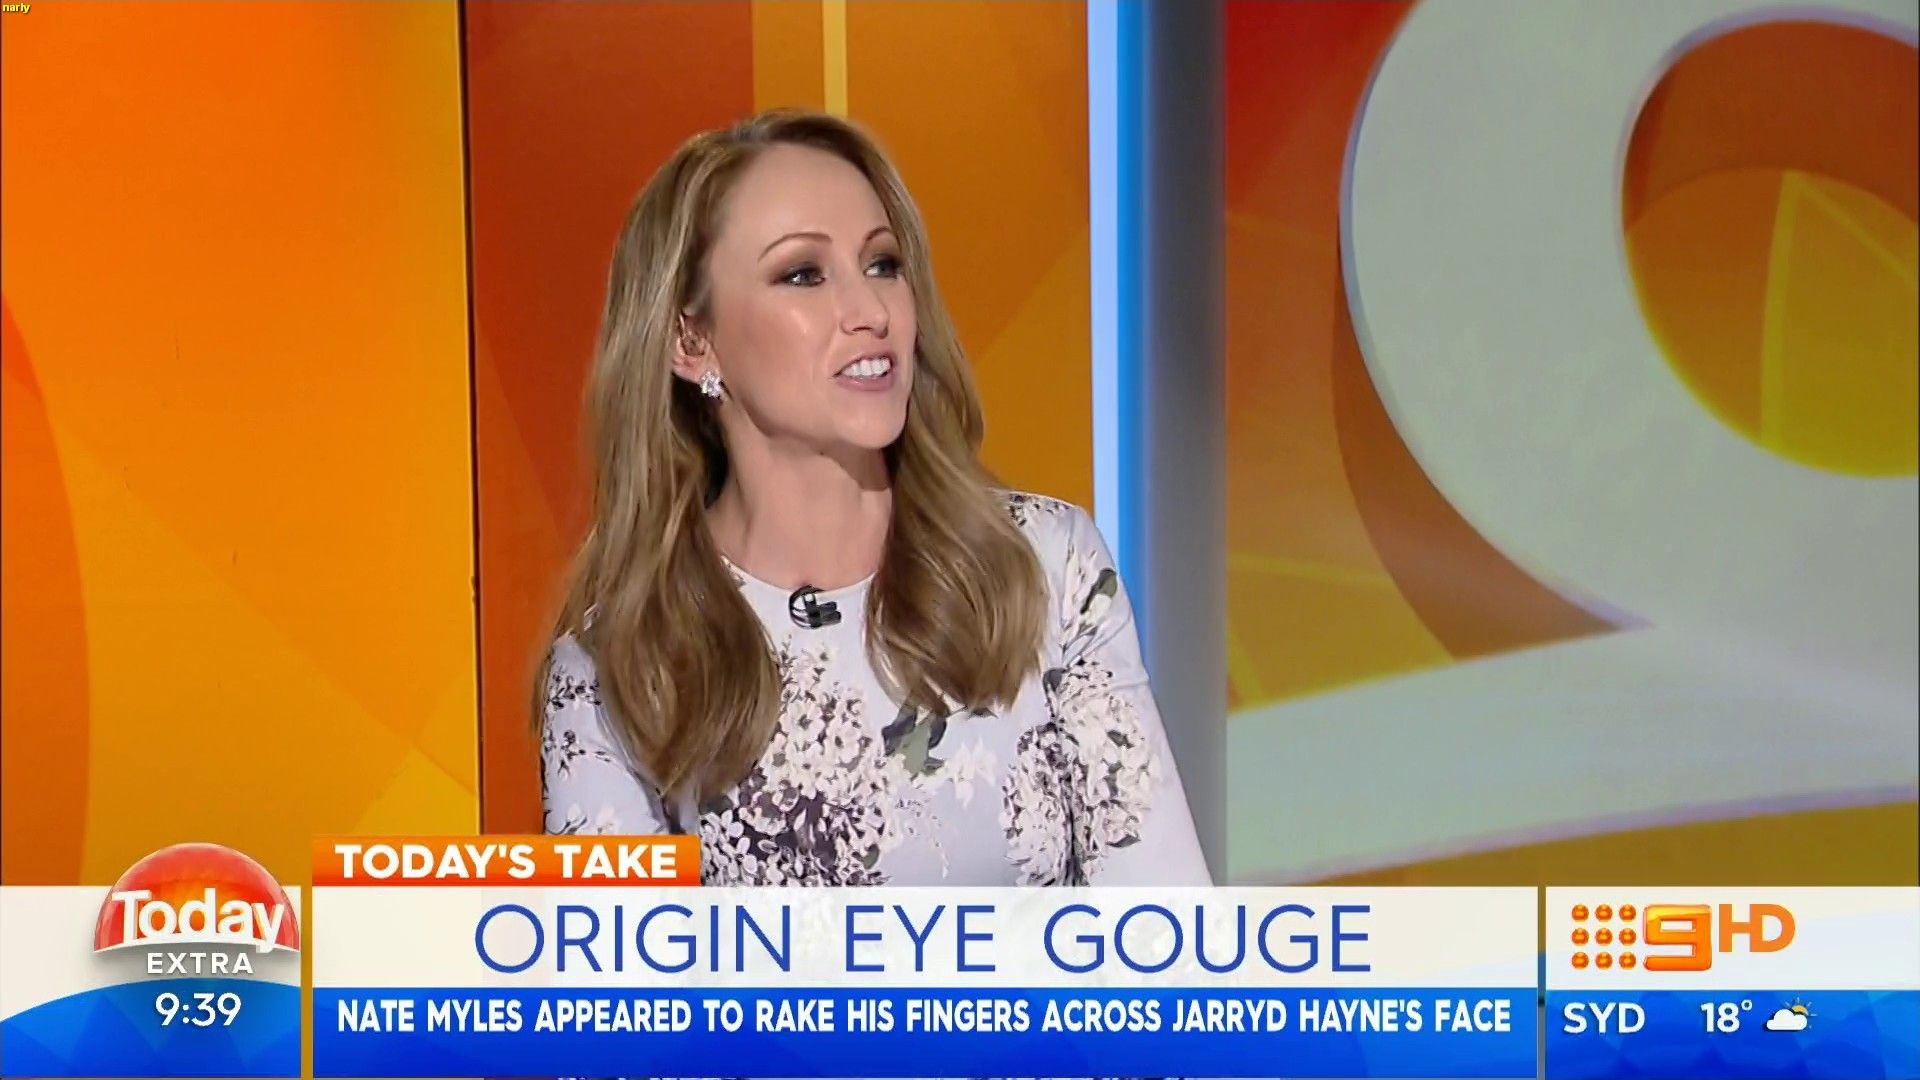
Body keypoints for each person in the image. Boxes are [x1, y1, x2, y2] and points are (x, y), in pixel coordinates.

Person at [537, 108, 1209, 889]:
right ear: (693, 342)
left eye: (883, 264)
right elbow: (617, 965)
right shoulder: (616, 669)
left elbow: (1168, 927)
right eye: (804, 275)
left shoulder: (1047, 570)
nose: (872, 313)